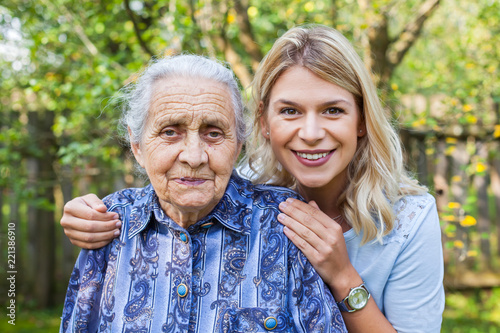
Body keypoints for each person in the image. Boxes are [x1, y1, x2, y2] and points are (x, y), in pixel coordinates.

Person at [60, 25, 445, 332]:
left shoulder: (409, 218)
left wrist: (344, 277)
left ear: (361, 119)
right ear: (262, 121)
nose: (311, 132)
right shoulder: (221, 184)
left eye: (332, 110)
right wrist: (91, 212)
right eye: (290, 111)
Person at [59, 54, 347, 333]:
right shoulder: (110, 223)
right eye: (170, 132)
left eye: (214, 133)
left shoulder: (284, 222)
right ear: (137, 147)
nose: (194, 157)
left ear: (237, 147)